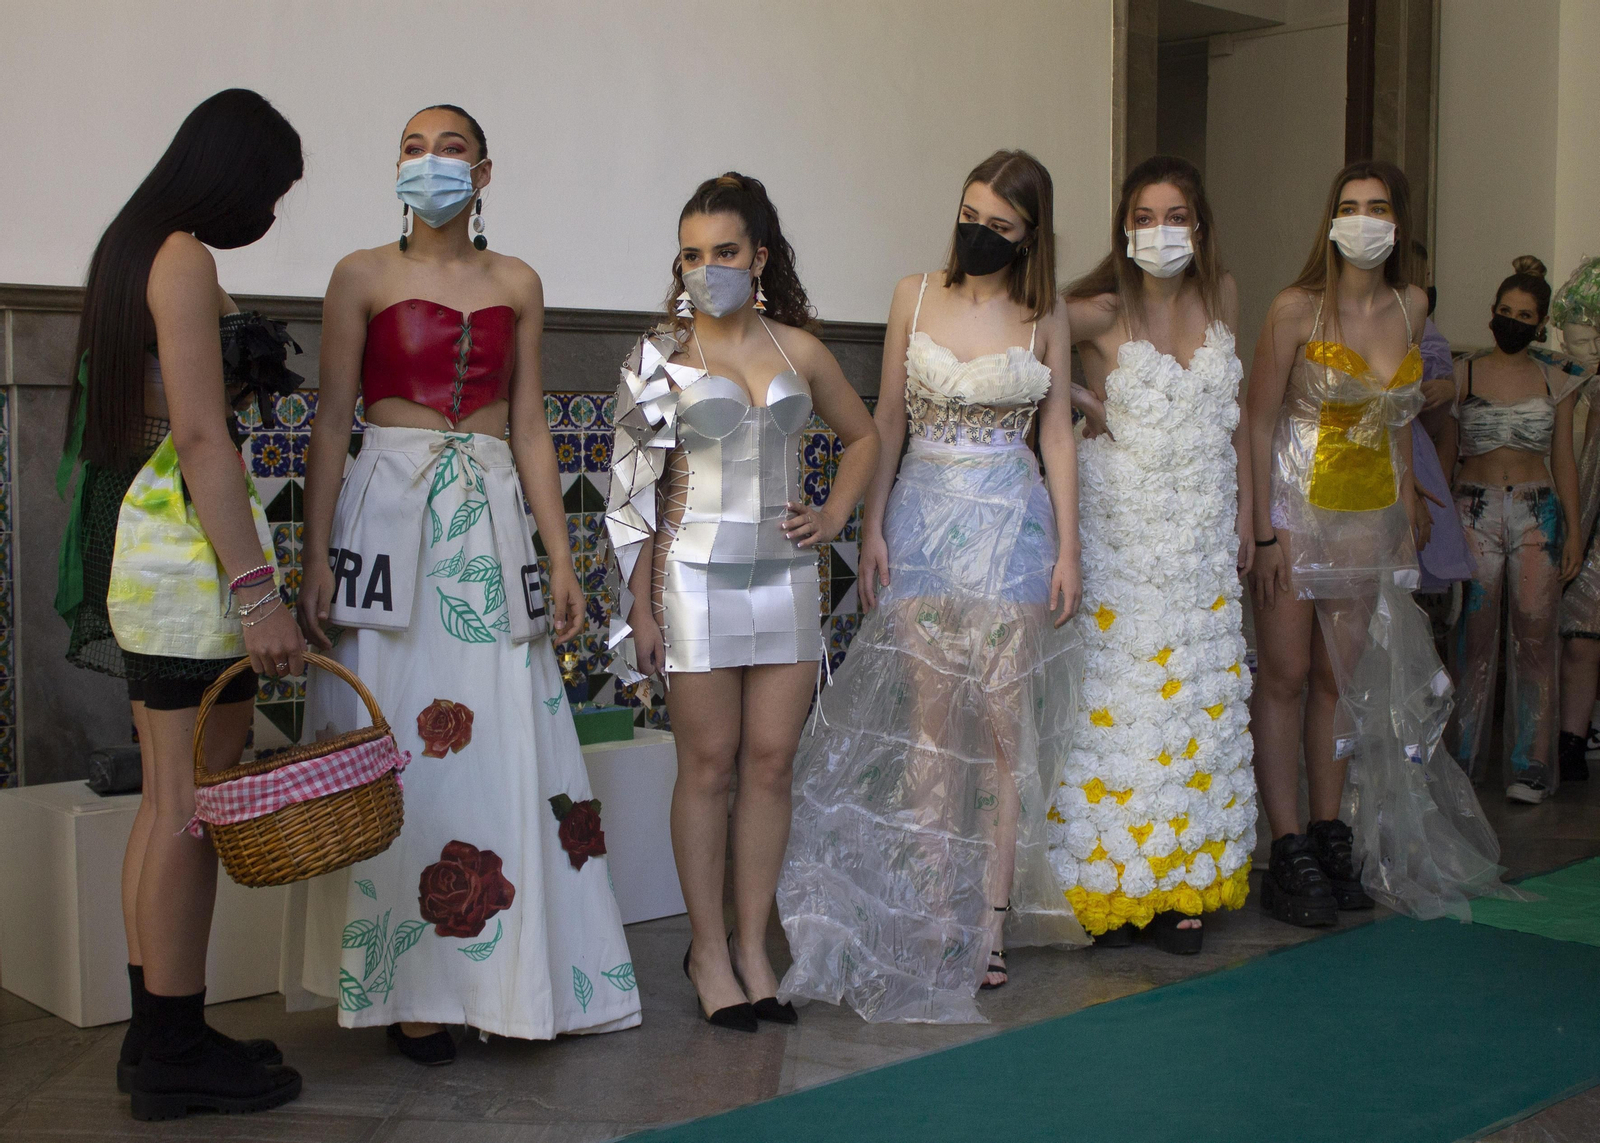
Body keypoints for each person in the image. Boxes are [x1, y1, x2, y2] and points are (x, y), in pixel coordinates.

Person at [297, 105, 639, 1061]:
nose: (431, 162)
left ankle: (507, 973)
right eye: (413, 146)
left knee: (499, 743)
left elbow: (530, 426)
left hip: (486, 519)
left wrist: (562, 555)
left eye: (450, 150)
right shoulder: (358, 275)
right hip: (388, 511)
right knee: (397, 731)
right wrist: (316, 552)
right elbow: (331, 422)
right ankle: (411, 986)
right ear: (394, 165)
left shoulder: (518, 281)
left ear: (484, 172)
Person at [776, 150, 1083, 1024]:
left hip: (1013, 530)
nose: (978, 233)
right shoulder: (912, 294)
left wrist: (1066, 547)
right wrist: (871, 527)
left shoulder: (1046, 312)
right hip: (920, 522)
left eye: (1000, 226)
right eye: (970, 213)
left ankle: (988, 925)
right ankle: (928, 908)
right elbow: (885, 422)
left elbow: (1056, 433)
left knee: (999, 731)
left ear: (1029, 237)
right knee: (927, 721)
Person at [53, 89, 306, 1119]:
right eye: (274, 191)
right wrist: (259, 599)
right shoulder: (186, 255)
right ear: (234, 172)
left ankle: (159, 1031)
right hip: (185, 562)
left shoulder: (128, 248)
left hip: (138, 551)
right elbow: (201, 441)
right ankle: (172, 1049)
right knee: (193, 811)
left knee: (165, 807)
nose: (273, 211)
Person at [605, 173, 878, 1031]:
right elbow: (630, 496)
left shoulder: (799, 347)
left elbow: (864, 435)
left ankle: (755, 944)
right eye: (691, 253)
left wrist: (834, 512)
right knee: (710, 764)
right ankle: (708, 950)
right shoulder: (658, 358)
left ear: (758, 256)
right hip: (691, 574)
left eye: (724, 251)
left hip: (788, 573)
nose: (705, 267)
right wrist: (639, 609)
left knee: (770, 762)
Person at [1246, 160, 1505, 925]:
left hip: (1368, 519)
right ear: (1331, 220)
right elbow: (1256, 421)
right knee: (1287, 675)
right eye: (1350, 206)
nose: (1364, 219)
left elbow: (1397, 416)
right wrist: (1259, 532)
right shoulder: (1295, 308)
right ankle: (1286, 846)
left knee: (1340, 683)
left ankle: (1329, 833)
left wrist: (1410, 494)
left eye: (1378, 207)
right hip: (1294, 512)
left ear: (1398, 223)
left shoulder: (1411, 304)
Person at [1048, 155, 1256, 956]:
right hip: (1124, 538)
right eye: (1143, 217)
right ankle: (1110, 878)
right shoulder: (1097, 311)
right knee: (1123, 704)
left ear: (1198, 226)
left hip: (1202, 535)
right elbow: (1022, 341)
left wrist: (1246, 516)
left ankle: (1186, 879)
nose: (1159, 232)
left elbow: (1234, 422)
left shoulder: (1225, 294)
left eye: (1175, 216)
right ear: (1123, 228)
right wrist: (1075, 397)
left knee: (1194, 705)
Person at [1435, 257, 1582, 804]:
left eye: (1524, 315)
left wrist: (1569, 526)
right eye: (1504, 312)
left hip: (1537, 513)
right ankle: (1464, 761)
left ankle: (1531, 767)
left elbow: (1563, 458)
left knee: (1536, 638)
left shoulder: (1556, 379)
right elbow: (1448, 455)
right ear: (1492, 314)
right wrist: (1440, 523)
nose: (1513, 321)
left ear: (1540, 324)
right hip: (1471, 508)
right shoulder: (1464, 372)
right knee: (1471, 637)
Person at [1554, 256, 1600, 783]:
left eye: (1590, 343)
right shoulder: (1570, 387)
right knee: (1582, 634)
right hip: (1584, 523)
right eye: (1576, 343)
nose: (1582, 354)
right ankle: (1570, 741)